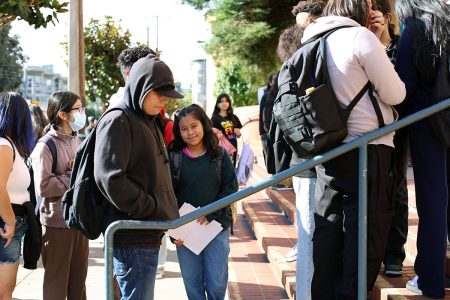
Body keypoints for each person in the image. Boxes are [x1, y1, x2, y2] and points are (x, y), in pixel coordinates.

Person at [296, 0, 406, 297]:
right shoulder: (360, 38)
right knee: (365, 238)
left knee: (329, 234)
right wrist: (379, 41)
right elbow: (396, 94)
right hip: (368, 151)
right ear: (359, 9)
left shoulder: (313, 39)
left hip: (329, 151)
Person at [94, 54, 182, 299]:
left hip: (147, 231)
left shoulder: (149, 120)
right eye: (159, 92)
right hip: (132, 234)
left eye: (167, 94)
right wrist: (150, 206)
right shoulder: (119, 119)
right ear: (141, 86)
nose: (164, 99)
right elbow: (110, 178)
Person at [395, 0, 450, 297]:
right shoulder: (446, 23)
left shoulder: (415, 28)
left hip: (426, 123)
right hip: (448, 119)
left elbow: (403, 86)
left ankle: (430, 281)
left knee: (431, 202)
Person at [170, 104, 238, 300]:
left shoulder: (219, 154)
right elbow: (168, 195)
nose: (190, 132)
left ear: (204, 124)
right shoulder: (174, 157)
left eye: (194, 126)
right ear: (178, 131)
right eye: (184, 128)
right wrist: (173, 233)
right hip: (186, 232)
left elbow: (230, 189)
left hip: (217, 227)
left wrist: (211, 214)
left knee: (216, 284)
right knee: (193, 286)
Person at [30, 91, 88, 300]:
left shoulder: (78, 141)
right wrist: (73, 177)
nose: (82, 112)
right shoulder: (46, 145)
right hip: (57, 224)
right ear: (63, 115)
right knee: (57, 284)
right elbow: (44, 186)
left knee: (78, 283)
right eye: (78, 109)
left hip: (79, 221)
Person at [373, 0, 409, 278]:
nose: (372, 22)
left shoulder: (400, 46)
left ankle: (394, 254)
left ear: (387, 17)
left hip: (399, 127)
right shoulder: (362, 44)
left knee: (396, 189)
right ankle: (375, 250)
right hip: (370, 130)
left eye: (376, 16)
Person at [0, 92, 36, 300]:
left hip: (13, 220)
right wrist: (11, 221)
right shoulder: (4, 145)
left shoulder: (10, 145)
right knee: (5, 292)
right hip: (7, 221)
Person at [211, 93, 243, 167]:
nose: (224, 103)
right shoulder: (214, 119)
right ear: (217, 104)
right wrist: (216, 137)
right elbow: (210, 135)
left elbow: (238, 136)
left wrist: (238, 134)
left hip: (233, 148)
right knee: (222, 170)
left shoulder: (234, 117)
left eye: (226, 101)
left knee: (232, 169)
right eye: (221, 101)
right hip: (221, 150)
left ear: (229, 103)